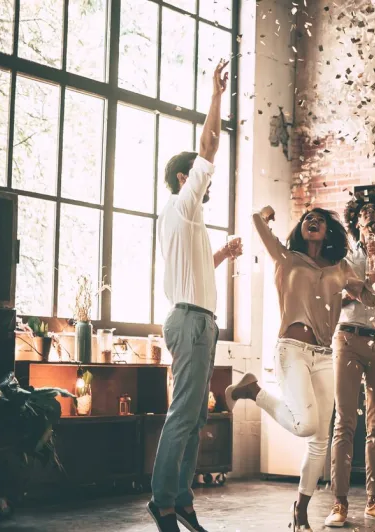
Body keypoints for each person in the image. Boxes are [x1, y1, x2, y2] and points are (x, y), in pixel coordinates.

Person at [225, 206, 375, 532]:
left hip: (325, 355)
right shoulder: (286, 257)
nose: (313, 221)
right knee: (307, 424)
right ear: (301, 227)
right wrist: (266, 215)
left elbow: (372, 299)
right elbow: (255, 221)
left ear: (329, 231)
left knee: (319, 440)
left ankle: (301, 511)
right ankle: (254, 391)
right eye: (308, 217)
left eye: (320, 219)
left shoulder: (341, 268)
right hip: (291, 350)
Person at [148, 60, 242, 532]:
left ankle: (182, 498)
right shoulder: (183, 204)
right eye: (198, 174)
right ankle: (163, 501)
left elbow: (195, 273)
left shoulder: (188, 222)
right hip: (189, 321)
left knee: (192, 417)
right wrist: (216, 97)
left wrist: (222, 253)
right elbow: (209, 145)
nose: (206, 179)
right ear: (185, 179)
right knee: (183, 417)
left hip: (199, 318)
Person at [323, 194, 375, 527]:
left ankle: (374, 500)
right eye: (367, 217)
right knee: (344, 422)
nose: (373, 222)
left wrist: (372, 267)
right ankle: (339, 503)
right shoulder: (342, 258)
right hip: (348, 339)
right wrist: (349, 291)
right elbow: (332, 298)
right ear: (356, 222)